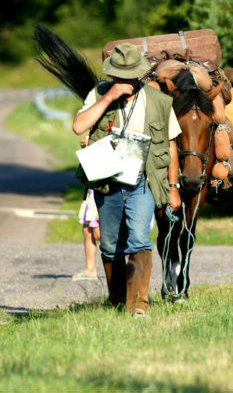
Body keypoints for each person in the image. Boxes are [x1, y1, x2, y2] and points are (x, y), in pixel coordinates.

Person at [72, 43, 181, 316]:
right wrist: (109, 97)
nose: (124, 81)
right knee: (110, 246)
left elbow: (171, 146)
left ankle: (138, 306)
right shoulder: (98, 93)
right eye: (118, 76)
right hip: (107, 181)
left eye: (129, 76)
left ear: (139, 75)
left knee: (138, 239)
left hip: (143, 181)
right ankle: (118, 302)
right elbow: (79, 126)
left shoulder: (159, 101)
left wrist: (174, 187)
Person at [71, 134, 101, 281]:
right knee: (87, 228)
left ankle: (127, 270)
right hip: (92, 183)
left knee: (98, 233)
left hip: (103, 181)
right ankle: (90, 268)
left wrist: (90, 142)